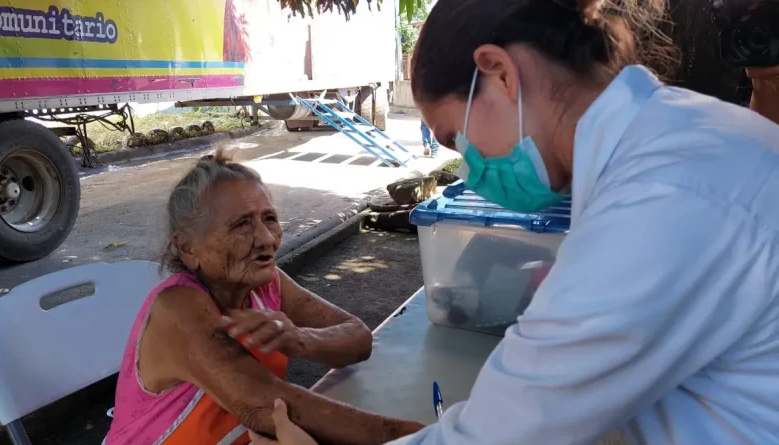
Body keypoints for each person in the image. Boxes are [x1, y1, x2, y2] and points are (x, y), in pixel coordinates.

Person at [251, 0, 779, 444]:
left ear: (499, 72)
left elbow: (498, 435)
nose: (471, 169)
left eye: (456, 137)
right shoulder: (677, 137)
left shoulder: (663, 198)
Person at [103, 151, 423, 445]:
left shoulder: (267, 284)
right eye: (242, 225)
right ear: (188, 248)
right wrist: (419, 438)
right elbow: (262, 404)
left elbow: (358, 338)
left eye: (268, 218)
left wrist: (301, 339)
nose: (267, 239)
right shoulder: (177, 308)